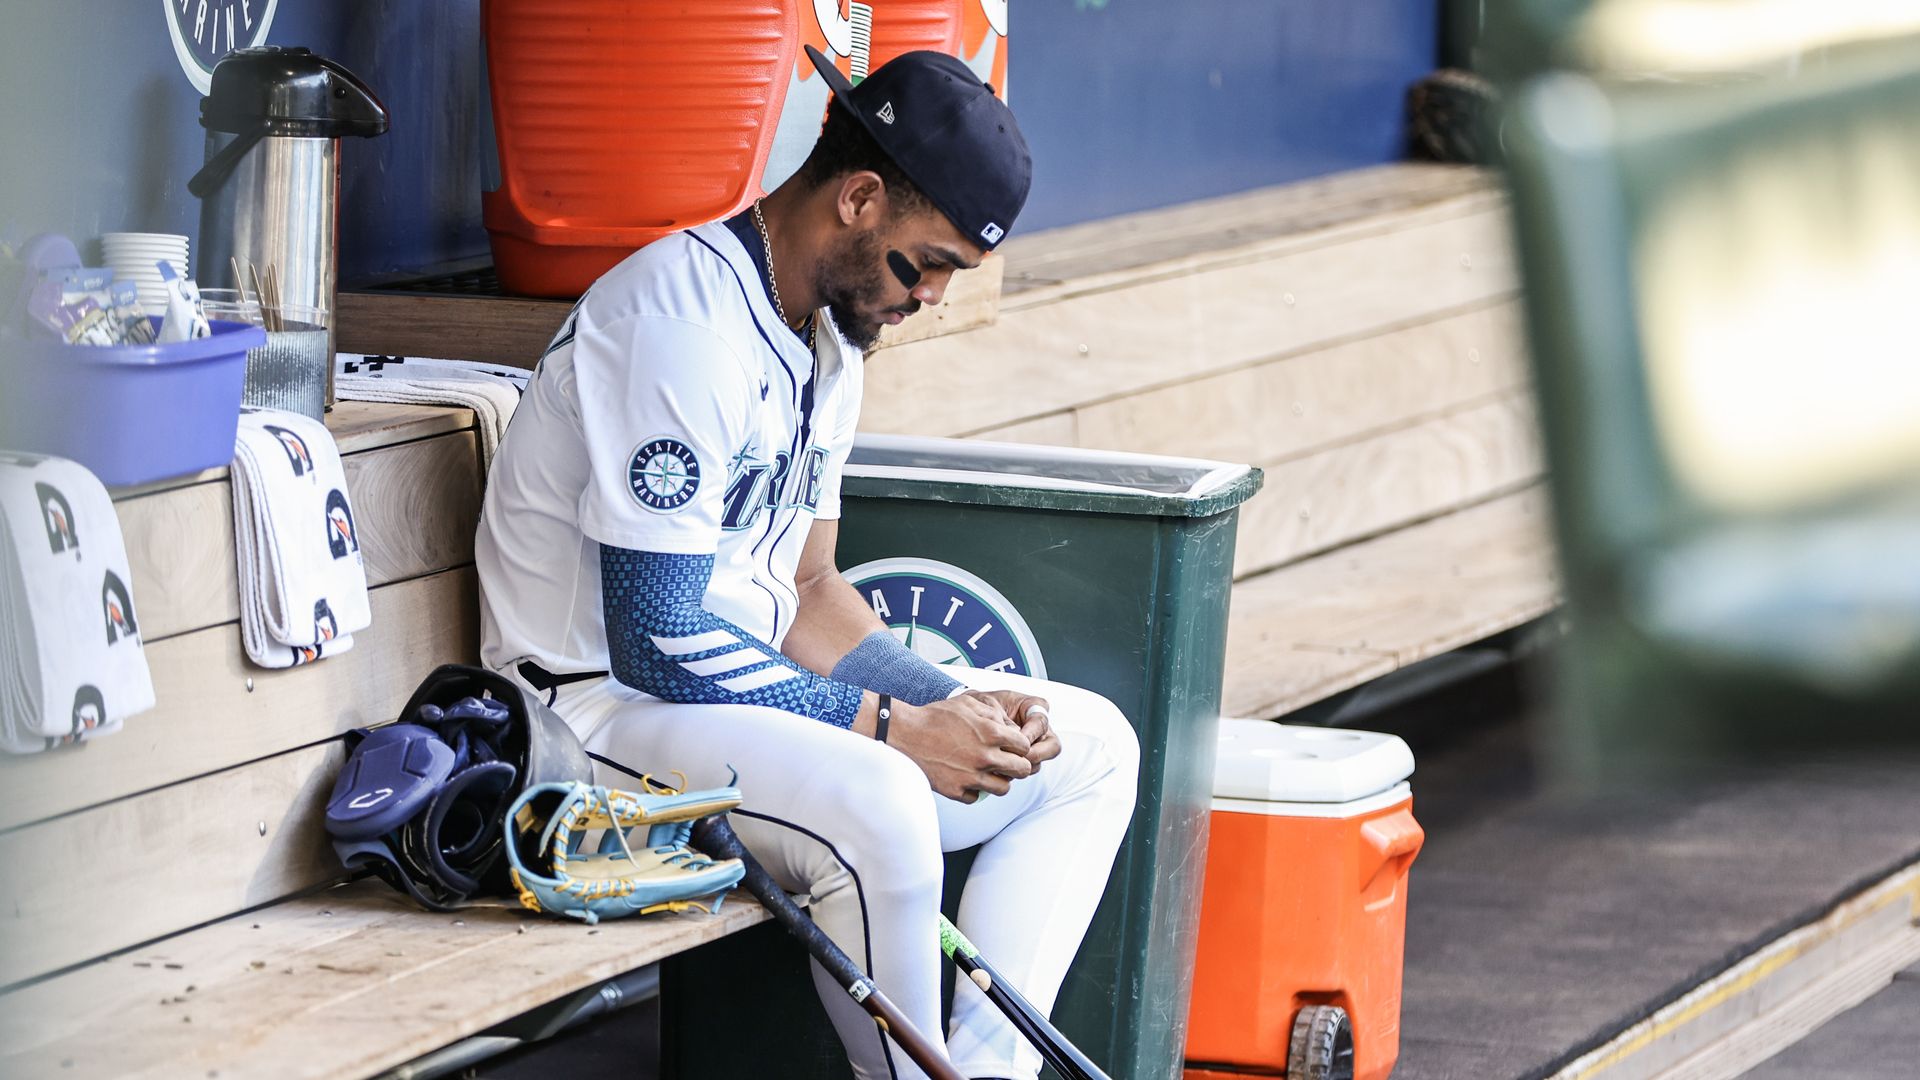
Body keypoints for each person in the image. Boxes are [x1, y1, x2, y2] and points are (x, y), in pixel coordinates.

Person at [475, 45, 1139, 1080]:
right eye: (928, 265)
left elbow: (811, 593)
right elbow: (657, 637)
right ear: (860, 198)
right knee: (876, 794)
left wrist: (953, 711)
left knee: (1088, 748)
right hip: (585, 718)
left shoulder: (832, 336)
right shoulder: (677, 322)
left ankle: (986, 1075)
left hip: (727, 710)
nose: (930, 299)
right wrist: (896, 728)